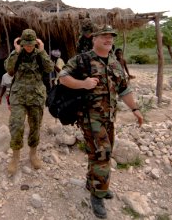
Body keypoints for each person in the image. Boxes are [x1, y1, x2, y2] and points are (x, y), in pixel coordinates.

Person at [59, 25, 143, 219]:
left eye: (111, 36)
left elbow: (124, 89)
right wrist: (83, 84)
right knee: (102, 153)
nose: (108, 39)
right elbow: (62, 77)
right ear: (94, 39)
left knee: (101, 152)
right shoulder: (82, 60)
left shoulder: (114, 62)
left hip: (109, 117)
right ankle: (98, 195)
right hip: (90, 118)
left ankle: (95, 182)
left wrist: (136, 109)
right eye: (104, 36)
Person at [4, 29, 54, 175]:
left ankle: (33, 154)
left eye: (31, 44)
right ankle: (15, 157)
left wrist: (43, 50)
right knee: (16, 125)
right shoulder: (17, 54)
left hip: (36, 96)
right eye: (26, 44)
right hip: (18, 96)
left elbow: (49, 68)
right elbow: (9, 70)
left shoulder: (40, 55)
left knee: (35, 127)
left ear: (36, 43)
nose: (29, 47)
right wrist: (16, 51)